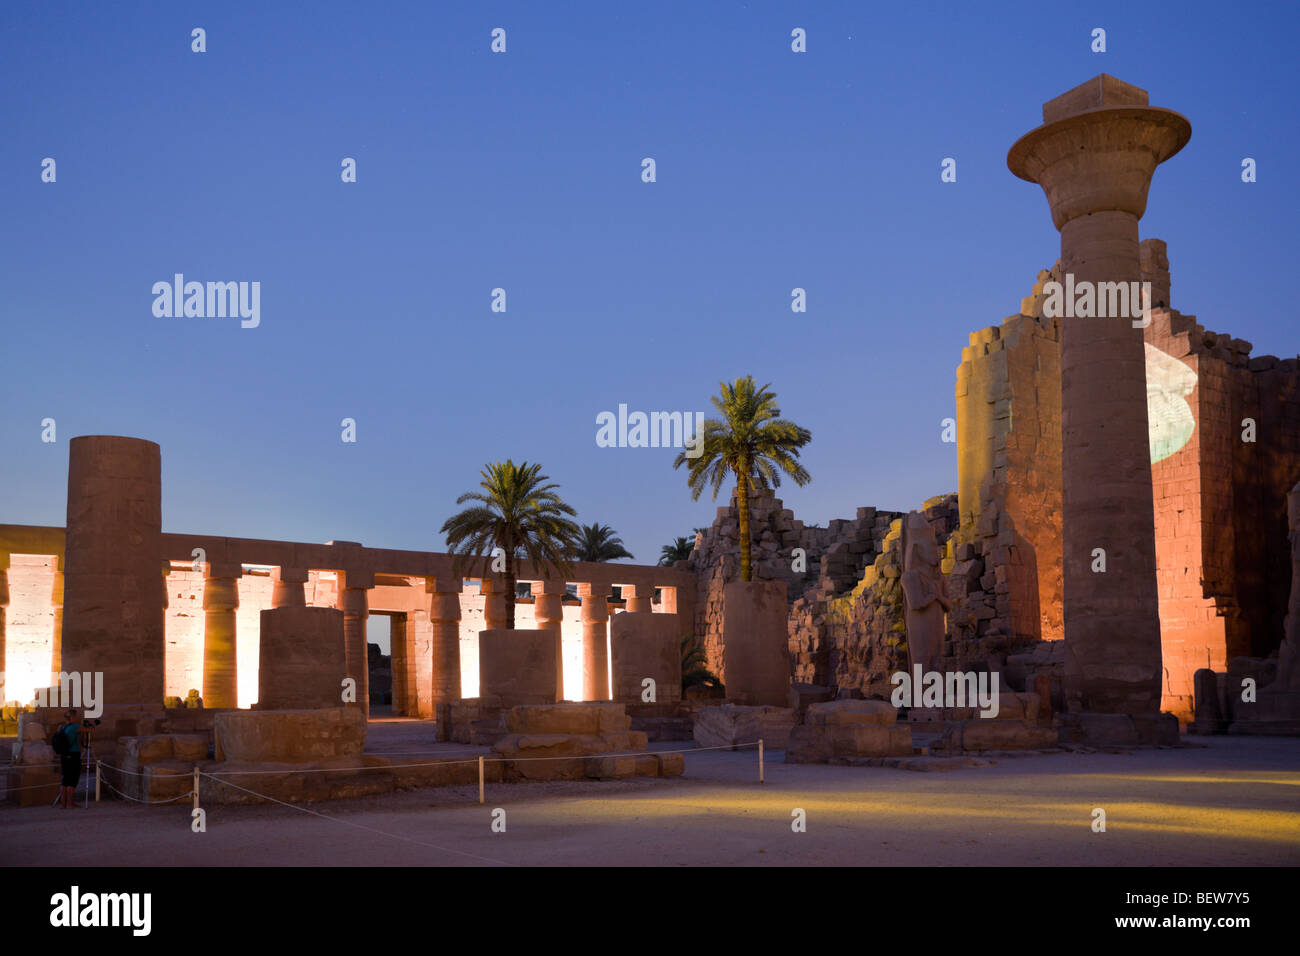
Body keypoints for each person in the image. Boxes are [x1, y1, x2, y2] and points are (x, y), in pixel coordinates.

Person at [55, 709, 98, 809]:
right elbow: (91, 730)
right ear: (73, 717)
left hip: (64, 755)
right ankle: (70, 804)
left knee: (65, 780)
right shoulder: (75, 727)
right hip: (73, 754)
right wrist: (93, 724)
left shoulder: (62, 727)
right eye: (75, 717)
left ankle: (63, 804)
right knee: (72, 779)